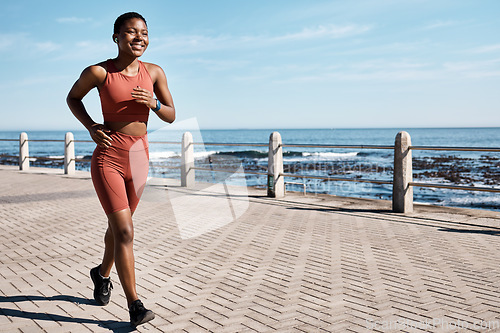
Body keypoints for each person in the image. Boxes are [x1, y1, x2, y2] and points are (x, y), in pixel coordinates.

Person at [66, 12, 175, 327]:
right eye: (130, 32)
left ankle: (101, 275)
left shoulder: (154, 72)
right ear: (116, 37)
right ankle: (135, 306)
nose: (139, 37)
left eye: (144, 32)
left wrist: (153, 104)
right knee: (125, 231)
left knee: (119, 230)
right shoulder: (99, 72)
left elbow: (171, 114)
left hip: (140, 158)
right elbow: (73, 97)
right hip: (109, 157)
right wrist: (90, 126)